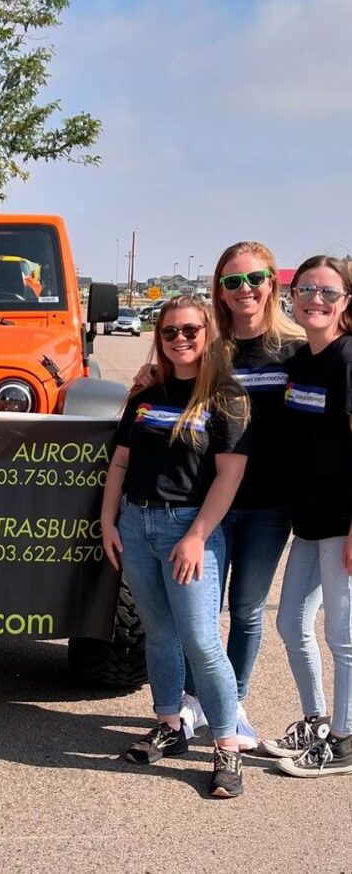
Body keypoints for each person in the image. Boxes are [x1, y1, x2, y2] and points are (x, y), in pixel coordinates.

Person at [134, 242, 304, 750]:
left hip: (268, 505)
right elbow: (166, 385)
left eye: (254, 279)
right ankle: (191, 702)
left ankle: (235, 704)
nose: (244, 290)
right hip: (205, 504)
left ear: (272, 282)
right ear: (219, 291)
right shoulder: (212, 348)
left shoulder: (297, 349)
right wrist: (145, 381)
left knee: (247, 608)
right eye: (232, 282)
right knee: (198, 615)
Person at [101, 295, 251, 798]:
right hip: (136, 523)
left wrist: (196, 536)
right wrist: (109, 521)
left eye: (190, 330)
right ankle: (170, 723)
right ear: (159, 338)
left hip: (189, 529)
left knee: (201, 640)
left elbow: (229, 477)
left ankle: (226, 745)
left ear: (208, 333)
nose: (180, 339)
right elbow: (120, 462)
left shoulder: (226, 397)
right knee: (160, 634)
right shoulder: (147, 393)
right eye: (170, 332)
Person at [261, 256, 352, 777]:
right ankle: (318, 721)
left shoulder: (346, 359)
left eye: (329, 293)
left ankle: (343, 740)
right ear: (292, 298)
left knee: (342, 636)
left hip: (342, 522)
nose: (316, 299)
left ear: (346, 303)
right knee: (291, 621)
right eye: (307, 290)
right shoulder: (301, 360)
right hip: (310, 520)